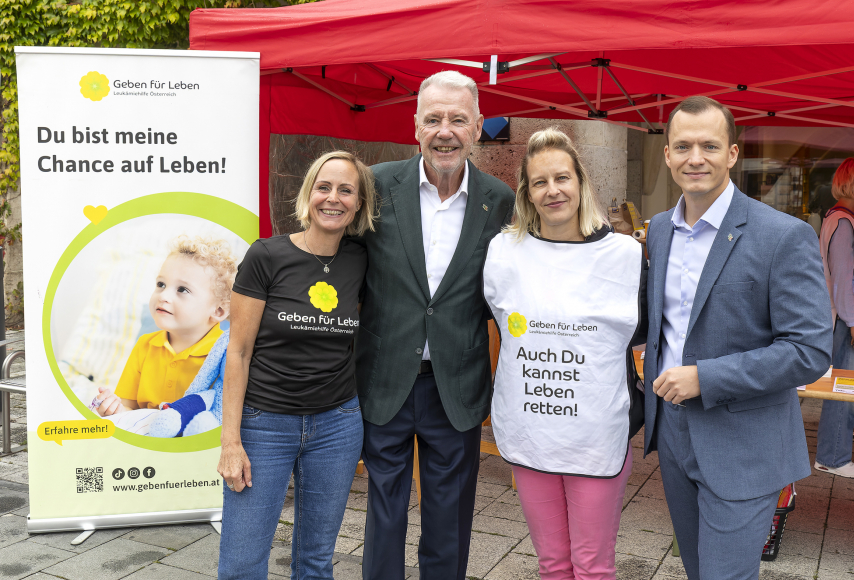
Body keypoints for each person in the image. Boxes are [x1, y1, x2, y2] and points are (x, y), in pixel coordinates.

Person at [643, 96, 831, 580]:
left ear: (731, 154)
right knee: (696, 569)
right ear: (667, 154)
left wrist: (705, 377)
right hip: (673, 432)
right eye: (683, 146)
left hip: (745, 442)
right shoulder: (659, 230)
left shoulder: (783, 235)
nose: (695, 158)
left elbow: (809, 350)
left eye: (709, 146)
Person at [354, 70, 514, 580]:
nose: (445, 131)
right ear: (416, 125)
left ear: (478, 127)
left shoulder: (500, 200)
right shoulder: (376, 185)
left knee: (450, 517)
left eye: (458, 120)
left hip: (456, 383)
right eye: (434, 119)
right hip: (385, 377)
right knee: (384, 512)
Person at [482, 127, 646, 579]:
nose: (552, 190)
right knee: (552, 564)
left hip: (595, 435)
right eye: (540, 182)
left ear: (581, 182)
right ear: (527, 193)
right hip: (531, 431)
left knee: (592, 566)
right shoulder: (504, 252)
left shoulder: (623, 256)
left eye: (562, 178)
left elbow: (646, 332)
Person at [216, 150, 377, 579]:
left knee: (316, 561)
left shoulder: (360, 259)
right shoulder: (266, 256)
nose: (333, 198)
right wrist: (230, 442)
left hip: (337, 425)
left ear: (359, 204)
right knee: (241, 562)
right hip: (264, 424)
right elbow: (238, 352)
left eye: (346, 190)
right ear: (308, 194)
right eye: (324, 187)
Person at [96, 235, 235, 417]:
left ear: (218, 310)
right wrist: (115, 410)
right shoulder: (144, 346)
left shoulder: (225, 354)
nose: (163, 296)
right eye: (161, 284)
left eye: (182, 289)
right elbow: (128, 409)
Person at [816, 157, 854, 478]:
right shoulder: (842, 223)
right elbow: (840, 282)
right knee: (847, 390)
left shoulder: (845, 220)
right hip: (852, 316)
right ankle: (831, 457)